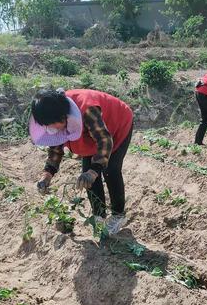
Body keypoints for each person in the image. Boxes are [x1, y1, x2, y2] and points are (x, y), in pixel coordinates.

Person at [30, 88, 133, 235]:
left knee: (110, 170)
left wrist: (94, 170)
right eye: (46, 126)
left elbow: (104, 140)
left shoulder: (88, 110)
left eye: (51, 124)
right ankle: (99, 216)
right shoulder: (55, 120)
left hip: (117, 125)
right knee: (86, 176)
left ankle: (118, 215)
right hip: (91, 135)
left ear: (63, 117)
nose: (50, 129)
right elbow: (55, 148)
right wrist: (47, 175)